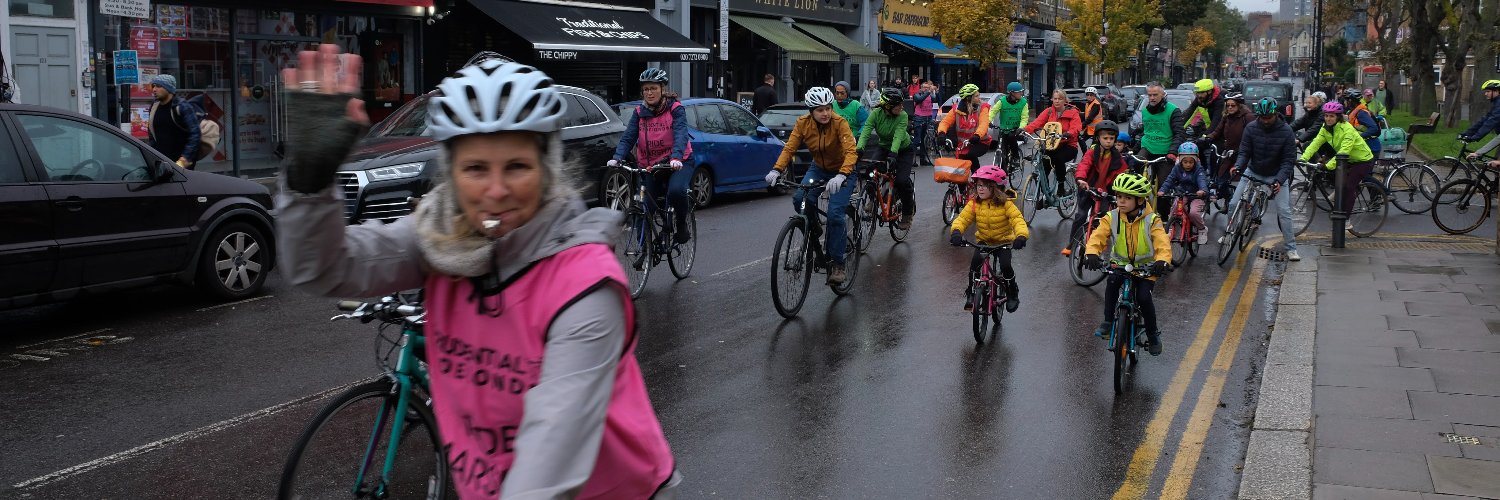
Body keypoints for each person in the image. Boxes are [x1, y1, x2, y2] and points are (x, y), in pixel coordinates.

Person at [274, 45, 680, 499]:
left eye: (518, 166)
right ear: (450, 173)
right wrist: (308, 181)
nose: (496, 190)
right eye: (474, 168)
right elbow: (323, 268)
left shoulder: (586, 287)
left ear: (547, 171)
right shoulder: (438, 242)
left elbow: (548, 464)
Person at [763, 87, 859, 284]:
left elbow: (851, 151)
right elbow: (790, 148)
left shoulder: (840, 123)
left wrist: (841, 175)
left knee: (835, 214)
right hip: (819, 169)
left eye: (827, 108)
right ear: (811, 111)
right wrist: (776, 170)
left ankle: (838, 264)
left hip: (844, 170)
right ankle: (814, 227)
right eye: (819, 110)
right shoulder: (803, 124)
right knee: (800, 198)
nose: (825, 113)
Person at [1082, 173, 1171, 356]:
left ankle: (1153, 334)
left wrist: (1162, 260)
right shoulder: (1111, 217)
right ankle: (1107, 322)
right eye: (1119, 196)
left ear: (1140, 200)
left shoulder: (1152, 220)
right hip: (1120, 264)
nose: (1121, 201)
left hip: (1146, 268)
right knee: (1112, 284)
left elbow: (1162, 242)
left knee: (1145, 298)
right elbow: (1098, 236)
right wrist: (1091, 253)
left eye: (1127, 198)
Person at [609, 68, 695, 243]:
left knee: (677, 191)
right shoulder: (640, 113)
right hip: (650, 165)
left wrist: (676, 157)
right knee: (644, 204)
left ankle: (681, 224)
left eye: (653, 88)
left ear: (662, 89)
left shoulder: (675, 109)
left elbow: (680, 134)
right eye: (646, 89)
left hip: (678, 162)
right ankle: (643, 248)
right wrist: (617, 157)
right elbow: (628, 137)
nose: (649, 93)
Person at [1228, 97, 1301, 261]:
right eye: (1262, 117)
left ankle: (1291, 248)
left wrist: (1280, 181)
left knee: (1284, 211)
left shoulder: (1286, 131)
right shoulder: (1251, 127)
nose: (1265, 121)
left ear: (1275, 113)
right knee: (1233, 204)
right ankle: (1230, 233)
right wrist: (1238, 165)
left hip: (1276, 174)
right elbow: (1245, 151)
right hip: (1253, 171)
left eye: (1268, 117)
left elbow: (1289, 160)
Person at [949, 165, 1029, 313]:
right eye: (979, 185)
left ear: (996, 188)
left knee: (1005, 266)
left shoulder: (1006, 204)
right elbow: (962, 219)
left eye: (985, 186)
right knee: (975, 266)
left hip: (1003, 241)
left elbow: (1018, 220)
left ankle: (1012, 292)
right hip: (984, 240)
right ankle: (971, 292)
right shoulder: (974, 203)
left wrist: (1021, 236)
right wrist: (956, 232)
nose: (981, 189)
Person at [1301, 100, 1376, 218]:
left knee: (1349, 187)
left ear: (1338, 117)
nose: (1328, 119)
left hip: (1362, 160)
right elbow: (1315, 143)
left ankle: (1346, 219)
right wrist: (1304, 158)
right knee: (1337, 181)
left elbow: (1343, 152)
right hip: (1347, 160)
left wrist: (1328, 165)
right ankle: (1338, 199)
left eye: (1331, 116)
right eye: (1326, 116)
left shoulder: (1347, 129)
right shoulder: (1325, 128)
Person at [858, 88, 916, 229]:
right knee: (871, 170)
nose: (902, 107)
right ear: (888, 107)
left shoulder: (902, 116)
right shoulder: (876, 114)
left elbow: (899, 135)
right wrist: (859, 149)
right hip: (884, 147)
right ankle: (873, 199)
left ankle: (908, 213)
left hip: (903, 150)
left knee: (902, 181)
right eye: (898, 105)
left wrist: (894, 154)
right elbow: (866, 131)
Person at [1068, 120, 1130, 252]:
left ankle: (1099, 242)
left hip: (1105, 193)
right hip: (1088, 188)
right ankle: (1071, 245)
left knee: (1104, 217)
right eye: (1105, 138)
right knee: (1081, 215)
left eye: (1112, 138)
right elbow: (1084, 165)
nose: (1108, 141)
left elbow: (1123, 173)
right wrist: (1080, 179)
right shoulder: (1091, 153)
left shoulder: (1117, 157)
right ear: (1098, 138)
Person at [1024, 88, 1084, 195]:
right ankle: (1045, 195)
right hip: (1050, 144)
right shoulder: (1049, 112)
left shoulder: (1073, 113)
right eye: (1055, 98)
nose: (1057, 101)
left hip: (1068, 145)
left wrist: (1068, 134)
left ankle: (1061, 187)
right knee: (1043, 165)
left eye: (1060, 99)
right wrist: (1024, 131)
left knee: (1058, 158)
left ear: (1065, 100)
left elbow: (1076, 128)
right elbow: (1036, 123)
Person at [1157, 142, 1211, 245]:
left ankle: (1202, 229)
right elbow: (1170, 179)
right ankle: (1171, 228)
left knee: (1193, 213)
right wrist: (1162, 190)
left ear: (1195, 161)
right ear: (1180, 160)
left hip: (1197, 195)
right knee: (1175, 209)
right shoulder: (1177, 168)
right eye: (1185, 162)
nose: (1188, 164)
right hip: (1182, 193)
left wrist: (1202, 191)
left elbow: (1202, 180)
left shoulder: (1198, 169)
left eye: (1191, 162)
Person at [146, 74, 202, 169]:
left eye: (158, 86)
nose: (154, 89)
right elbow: (152, 134)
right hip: (161, 161)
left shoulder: (182, 106)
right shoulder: (154, 106)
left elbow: (195, 134)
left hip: (180, 164)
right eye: (153, 86)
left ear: (169, 89)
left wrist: (184, 158)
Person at [1137, 82, 1187, 184]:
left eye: (1155, 95)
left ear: (1163, 95)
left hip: (1165, 150)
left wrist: (1172, 152)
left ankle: (1162, 198)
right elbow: (1146, 132)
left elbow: (1179, 133)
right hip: (1148, 147)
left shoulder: (1173, 110)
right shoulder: (1145, 111)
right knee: (1136, 168)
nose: (1152, 98)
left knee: (1163, 184)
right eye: (1149, 95)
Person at [937, 84, 995, 170]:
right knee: (959, 170)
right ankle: (963, 183)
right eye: (976, 96)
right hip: (963, 145)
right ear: (969, 98)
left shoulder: (982, 108)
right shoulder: (956, 110)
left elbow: (984, 124)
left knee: (970, 155)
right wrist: (941, 133)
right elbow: (945, 122)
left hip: (980, 142)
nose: (979, 98)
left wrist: (977, 135)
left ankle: (977, 179)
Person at [1206, 93, 1252, 197]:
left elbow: (1251, 135)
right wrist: (1208, 138)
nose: (1230, 107)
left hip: (1243, 153)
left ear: (1239, 105)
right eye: (1228, 105)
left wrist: (1243, 149)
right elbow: (1218, 130)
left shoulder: (1248, 117)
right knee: (1221, 179)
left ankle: (1248, 204)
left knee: (1242, 180)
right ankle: (1228, 200)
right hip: (1229, 153)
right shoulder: (1226, 116)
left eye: (1233, 105)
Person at [989, 81, 1030, 170]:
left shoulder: (1023, 103)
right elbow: (993, 111)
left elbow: (1024, 118)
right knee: (1002, 149)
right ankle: (1003, 166)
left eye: (1021, 91)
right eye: (1019, 92)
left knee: (1012, 137)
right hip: (1004, 129)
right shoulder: (1002, 101)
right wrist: (988, 121)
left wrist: (1021, 127)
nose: (1021, 93)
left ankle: (1016, 157)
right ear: (1011, 93)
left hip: (1016, 129)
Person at [1458, 80, 1500, 145]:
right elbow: (1485, 120)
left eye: (1488, 91)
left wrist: (1474, 137)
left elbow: (1491, 122)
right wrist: (1466, 133)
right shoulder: (1496, 103)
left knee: (1481, 152)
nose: (1485, 94)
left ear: (1497, 91)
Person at [1341, 89, 1382, 155]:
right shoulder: (1351, 111)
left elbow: (1374, 128)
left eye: (1345, 100)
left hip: (1371, 146)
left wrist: (1358, 137)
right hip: (1363, 146)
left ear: (1350, 100)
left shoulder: (1361, 113)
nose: (1344, 102)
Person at [911, 81, 937, 165]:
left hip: (927, 118)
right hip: (919, 118)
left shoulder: (929, 95)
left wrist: (933, 91)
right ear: (921, 88)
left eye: (927, 87)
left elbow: (934, 98)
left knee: (923, 140)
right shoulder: (917, 95)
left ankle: (923, 160)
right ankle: (912, 160)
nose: (926, 89)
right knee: (917, 139)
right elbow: (919, 99)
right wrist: (928, 91)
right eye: (924, 87)